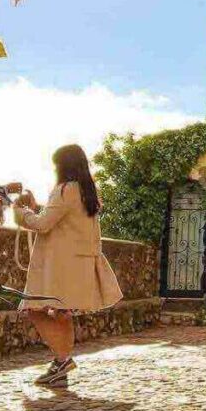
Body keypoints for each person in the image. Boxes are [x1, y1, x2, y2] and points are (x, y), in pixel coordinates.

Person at [13, 145, 123, 387]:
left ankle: (62, 360)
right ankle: (60, 366)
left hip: (61, 267)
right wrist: (36, 207)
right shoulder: (87, 192)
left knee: (34, 308)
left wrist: (20, 212)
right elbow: (60, 218)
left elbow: (43, 224)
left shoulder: (65, 190)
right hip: (79, 265)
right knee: (62, 314)